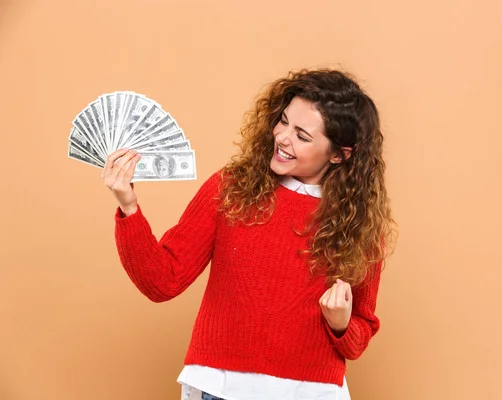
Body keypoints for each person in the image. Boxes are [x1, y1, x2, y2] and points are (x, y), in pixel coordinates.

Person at [102, 68, 396, 400]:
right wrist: (128, 207)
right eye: (284, 121)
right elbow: (162, 281)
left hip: (311, 394)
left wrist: (341, 323)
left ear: (340, 154)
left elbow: (360, 332)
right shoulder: (230, 188)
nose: (282, 137)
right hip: (221, 388)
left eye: (302, 135)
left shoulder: (358, 224)